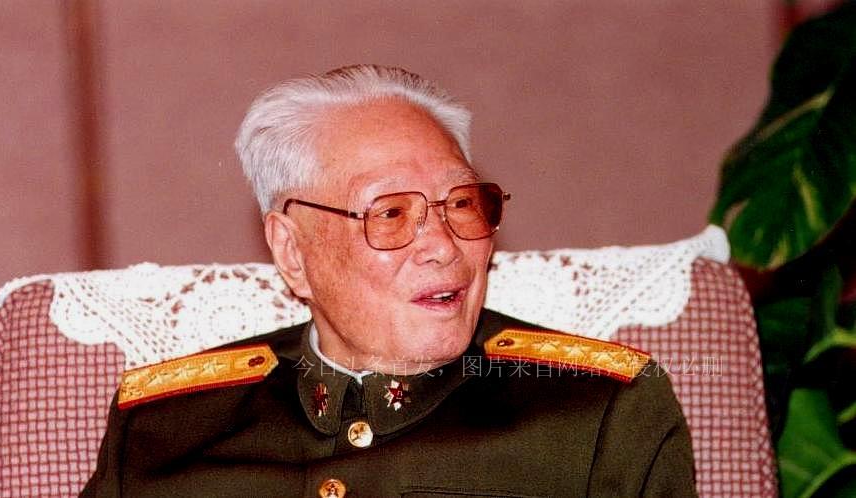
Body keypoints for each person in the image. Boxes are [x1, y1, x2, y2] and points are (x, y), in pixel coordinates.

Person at [82, 65, 695, 497]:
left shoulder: (597, 414)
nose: (443, 246)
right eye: (392, 214)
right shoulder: (164, 427)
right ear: (292, 252)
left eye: (461, 204)